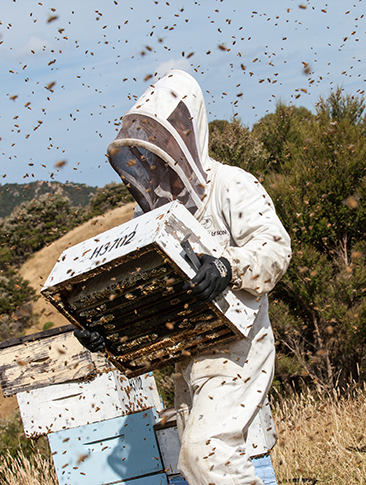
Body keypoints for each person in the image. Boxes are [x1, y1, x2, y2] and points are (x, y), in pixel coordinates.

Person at [77, 69, 292, 485]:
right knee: (197, 466)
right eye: (152, 154)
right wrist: (109, 330)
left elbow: (275, 248)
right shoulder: (148, 213)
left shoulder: (231, 184)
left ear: (189, 137)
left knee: (206, 454)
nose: (160, 163)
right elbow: (144, 292)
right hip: (188, 355)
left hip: (239, 346)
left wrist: (228, 267)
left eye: (167, 147)